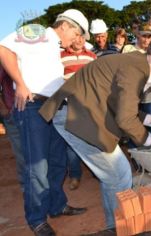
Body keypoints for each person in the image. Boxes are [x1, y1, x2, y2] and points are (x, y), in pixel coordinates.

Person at [39, 33, 151, 234]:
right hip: (75, 115)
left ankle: (115, 224)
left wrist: (147, 119)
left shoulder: (135, 64)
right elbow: (125, 119)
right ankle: (116, 228)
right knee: (119, 173)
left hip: (78, 111)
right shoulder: (135, 69)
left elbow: (121, 102)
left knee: (113, 174)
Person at [0, 9, 89, 236]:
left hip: (54, 107)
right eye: (77, 33)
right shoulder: (38, 32)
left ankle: (57, 205)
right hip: (31, 106)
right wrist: (19, 83)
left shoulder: (55, 46)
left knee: (58, 162)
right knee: (37, 166)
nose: (77, 39)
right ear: (66, 25)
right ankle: (37, 219)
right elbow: (3, 49)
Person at [61, 35, 97, 190]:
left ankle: (97, 171)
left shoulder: (92, 56)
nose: (80, 40)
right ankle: (75, 175)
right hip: (68, 105)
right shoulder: (60, 57)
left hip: (89, 105)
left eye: (82, 37)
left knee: (93, 139)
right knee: (72, 143)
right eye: (76, 36)